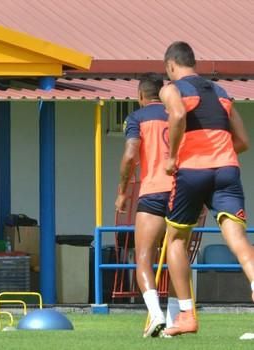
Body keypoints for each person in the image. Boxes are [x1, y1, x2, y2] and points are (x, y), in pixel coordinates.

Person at [160, 41, 252, 336]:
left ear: (171, 66)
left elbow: (176, 115)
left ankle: (187, 315)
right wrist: (219, 156)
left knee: (175, 240)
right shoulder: (222, 93)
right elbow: (243, 142)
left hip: (191, 171)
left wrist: (173, 157)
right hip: (227, 169)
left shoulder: (171, 89)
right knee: (237, 240)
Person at [115, 74, 178, 338]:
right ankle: (176, 321)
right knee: (178, 257)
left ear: (141, 95)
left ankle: (156, 314)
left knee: (143, 257)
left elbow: (130, 155)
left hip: (152, 191)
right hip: (181, 192)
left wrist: (122, 192)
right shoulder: (177, 115)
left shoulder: (137, 118)